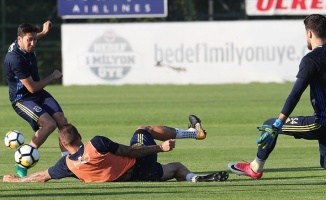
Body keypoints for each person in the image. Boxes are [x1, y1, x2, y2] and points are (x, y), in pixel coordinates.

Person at [228, 14, 326, 179]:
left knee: (270, 124)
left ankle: (255, 167)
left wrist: (279, 122)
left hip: (322, 123)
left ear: (309, 34)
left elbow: (295, 94)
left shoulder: (311, 60)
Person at [3, 115, 229, 183]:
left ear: (62, 145)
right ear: (80, 137)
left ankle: (196, 179)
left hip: (137, 179)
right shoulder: (96, 143)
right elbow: (132, 152)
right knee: (143, 128)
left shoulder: (67, 166)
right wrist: (160, 148)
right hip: (141, 166)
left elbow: (42, 176)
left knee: (176, 168)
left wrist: (16, 180)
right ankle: (194, 132)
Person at [3, 21, 69, 177]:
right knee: (49, 124)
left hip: (38, 94)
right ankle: (22, 162)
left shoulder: (23, 42)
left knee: (62, 120)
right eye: (29, 40)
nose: (32, 43)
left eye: (34, 39)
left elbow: (31, 36)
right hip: (23, 99)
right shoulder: (15, 59)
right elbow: (31, 87)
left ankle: (68, 161)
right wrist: (52, 76)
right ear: (19, 39)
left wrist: (43, 33)